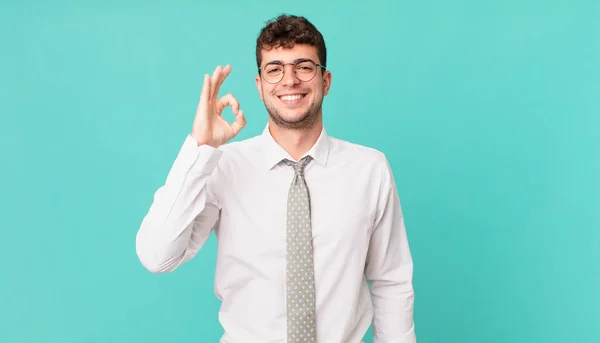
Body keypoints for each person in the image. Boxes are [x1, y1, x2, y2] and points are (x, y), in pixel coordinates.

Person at [136, 14, 416, 343]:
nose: (290, 80)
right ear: (259, 86)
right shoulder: (223, 166)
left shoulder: (369, 169)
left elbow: (390, 282)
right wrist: (200, 148)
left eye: (304, 66)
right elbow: (157, 256)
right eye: (275, 69)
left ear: (325, 81)